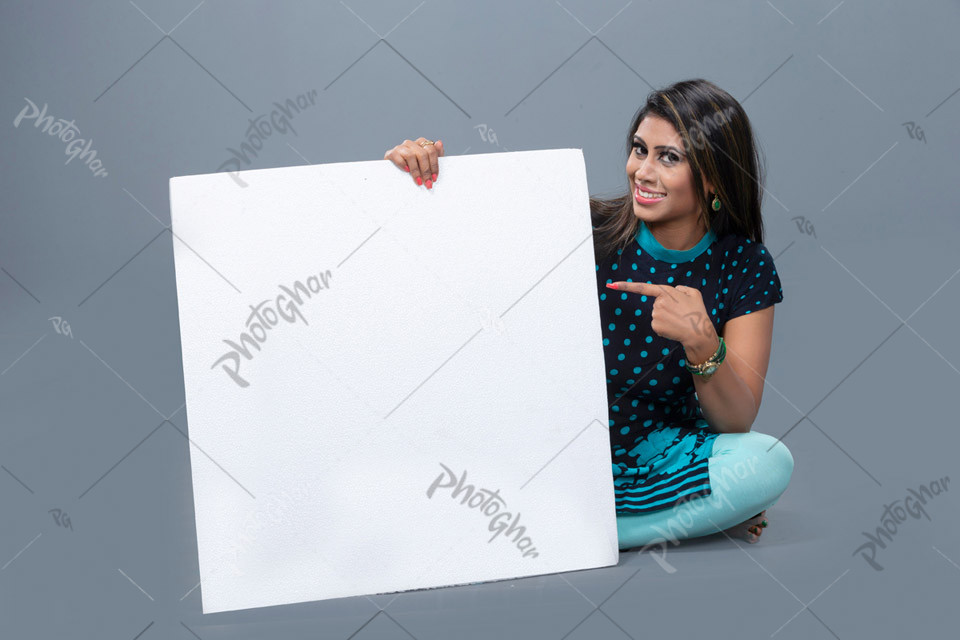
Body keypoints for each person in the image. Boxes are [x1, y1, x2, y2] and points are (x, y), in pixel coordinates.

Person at [382, 78, 794, 550]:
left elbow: (735, 421)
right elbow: (459, 253)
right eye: (640, 149)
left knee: (767, 462)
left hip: (662, 453)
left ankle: (582, 532)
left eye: (669, 157)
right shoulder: (584, 229)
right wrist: (411, 178)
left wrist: (703, 344)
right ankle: (670, 517)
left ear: (714, 177)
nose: (642, 171)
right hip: (556, 452)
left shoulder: (744, 264)